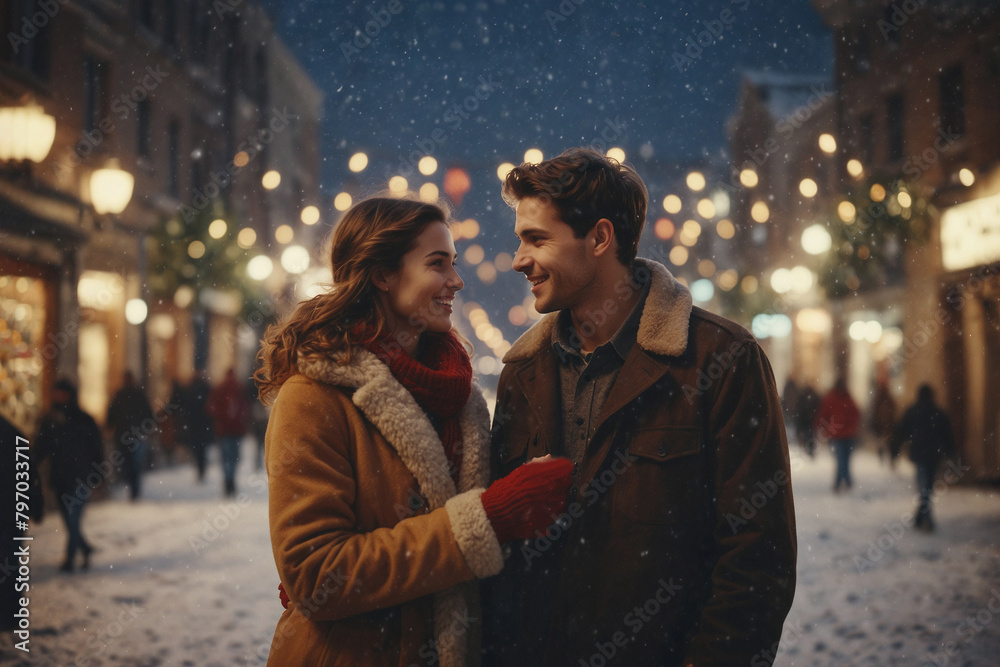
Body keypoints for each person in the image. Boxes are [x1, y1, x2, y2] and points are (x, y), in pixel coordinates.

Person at [482, 148, 796, 666]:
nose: (518, 259)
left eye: (536, 239)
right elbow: (502, 561)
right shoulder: (523, 373)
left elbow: (757, 561)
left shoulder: (720, 361)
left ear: (600, 238)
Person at [255, 194, 573, 667]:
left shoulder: (459, 399)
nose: (456, 281)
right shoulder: (314, 396)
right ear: (382, 274)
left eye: (455, 263)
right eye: (437, 264)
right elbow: (316, 576)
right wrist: (487, 518)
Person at [33, 379, 105, 572]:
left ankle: (69, 559)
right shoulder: (50, 419)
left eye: (61, 393)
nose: (58, 397)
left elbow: (96, 449)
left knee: (73, 518)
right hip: (60, 476)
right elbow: (41, 447)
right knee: (67, 519)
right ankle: (85, 548)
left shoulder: (83, 419)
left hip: (80, 476)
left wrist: (98, 476)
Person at [893, 384, 955, 531]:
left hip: (919, 454)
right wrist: (950, 451)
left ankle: (922, 518)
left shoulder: (913, 411)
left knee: (924, 486)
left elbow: (902, 431)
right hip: (933, 454)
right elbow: (947, 435)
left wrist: (895, 448)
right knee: (927, 486)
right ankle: (924, 518)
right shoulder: (938, 412)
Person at [106, 370, 155, 500]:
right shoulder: (132, 395)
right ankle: (134, 487)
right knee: (133, 463)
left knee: (129, 463)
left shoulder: (121, 395)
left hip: (125, 434)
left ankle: (133, 487)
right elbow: (148, 414)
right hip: (132, 434)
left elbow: (111, 414)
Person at [207, 368, 249, 497]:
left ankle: (228, 480)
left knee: (228, 458)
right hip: (232, 430)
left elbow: (211, 408)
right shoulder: (237, 389)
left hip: (226, 430)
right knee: (232, 458)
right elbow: (245, 408)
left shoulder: (223, 389)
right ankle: (230, 480)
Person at [816, 376, 861, 493]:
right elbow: (856, 414)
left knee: (841, 460)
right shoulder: (846, 398)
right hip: (845, 435)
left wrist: (826, 428)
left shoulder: (832, 398)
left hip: (838, 435)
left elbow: (824, 415)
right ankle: (845, 481)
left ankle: (841, 482)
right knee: (844, 460)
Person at [171, 369, 214, 481]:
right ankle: (201, 469)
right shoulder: (205, 388)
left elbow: (180, 402)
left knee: (198, 449)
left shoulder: (192, 389)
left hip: (196, 424)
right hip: (201, 425)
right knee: (200, 449)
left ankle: (201, 469)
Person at [870, 377, 897, 466]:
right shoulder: (886, 400)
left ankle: (885, 457)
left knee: (883, 443)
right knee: (886, 443)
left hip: (883, 425)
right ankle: (888, 458)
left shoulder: (879, 400)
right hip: (884, 425)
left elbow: (874, 412)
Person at [795, 383, 821, 458]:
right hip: (810, 419)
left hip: (805, 419)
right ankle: (810, 450)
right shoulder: (814, 395)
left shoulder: (802, 395)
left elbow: (798, 407)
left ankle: (808, 449)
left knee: (807, 435)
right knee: (810, 435)